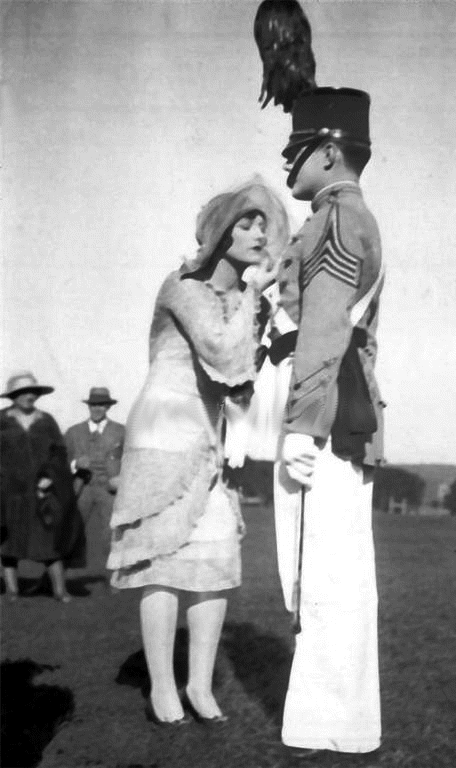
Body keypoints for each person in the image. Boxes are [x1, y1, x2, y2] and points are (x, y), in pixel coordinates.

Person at [107, 179, 288, 726]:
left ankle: (200, 684)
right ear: (219, 233)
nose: (258, 233)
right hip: (165, 433)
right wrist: (258, 297)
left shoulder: (242, 298)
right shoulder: (183, 285)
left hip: (209, 435)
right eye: (246, 223)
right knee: (161, 563)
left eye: (263, 224)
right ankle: (163, 686)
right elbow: (223, 353)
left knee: (212, 559)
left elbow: (242, 382)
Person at [271, 87, 385, 759]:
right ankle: (334, 722)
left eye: (298, 150)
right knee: (328, 576)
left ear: (330, 151)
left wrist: (301, 424)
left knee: (327, 579)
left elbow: (324, 331)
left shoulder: (338, 220)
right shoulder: (343, 216)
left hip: (329, 415)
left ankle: (330, 725)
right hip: (338, 410)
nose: (288, 164)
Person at [0, 372, 85, 603]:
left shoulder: (46, 421)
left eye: (32, 392)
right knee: (8, 542)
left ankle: (59, 590)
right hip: (9, 492)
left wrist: (50, 476)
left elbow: (59, 452)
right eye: (23, 393)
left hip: (41, 491)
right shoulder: (1, 419)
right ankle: (12, 590)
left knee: (49, 539)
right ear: (13, 397)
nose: (29, 396)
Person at [65, 387, 125, 578]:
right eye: (94, 405)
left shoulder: (121, 432)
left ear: (108, 407)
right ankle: (64, 576)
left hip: (108, 490)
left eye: (101, 405)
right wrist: (75, 464)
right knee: (72, 530)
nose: (97, 409)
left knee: (111, 534)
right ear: (88, 406)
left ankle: (113, 577)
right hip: (82, 488)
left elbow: (132, 460)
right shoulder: (74, 432)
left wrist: (120, 477)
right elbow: (60, 460)